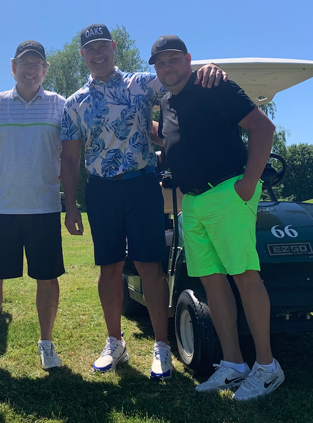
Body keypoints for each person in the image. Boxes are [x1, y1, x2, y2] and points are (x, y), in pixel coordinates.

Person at [60, 23, 225, 380]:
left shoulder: (140, 83)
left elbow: (178, 77)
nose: (98, 53)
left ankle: (161, 346)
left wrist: (207, 70)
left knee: (150, 265)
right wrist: (71, 205)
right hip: (101, 191)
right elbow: (71, 159)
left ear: (114, 47)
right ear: (83, 55)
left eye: (103, 46)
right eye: (91, 49)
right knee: (109, 269)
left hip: (142, 185)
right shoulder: (74, 103)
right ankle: (115, 342)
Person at [151, 34, 283, 401]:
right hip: (191, 202)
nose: (167, 68)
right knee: (213, 283)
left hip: (228, 191)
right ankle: (234, 364)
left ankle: (268, 367)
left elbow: (263, 128)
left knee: (244, 276)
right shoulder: (166, 101)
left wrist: (248, 183)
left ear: (189, 59)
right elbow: (171, 139)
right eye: (160, 63)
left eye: (173, 59)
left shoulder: (215, 84)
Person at [0, 40, 68, 373]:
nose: (30, 69)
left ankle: (47, 344)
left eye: (36, 64)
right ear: (13, 67)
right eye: (24, 63)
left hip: (45, 207)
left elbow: (68, 154)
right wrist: (12, 171)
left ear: (45, 70)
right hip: (2, 209)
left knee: (47, 279)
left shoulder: (60, 105)